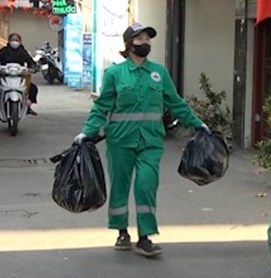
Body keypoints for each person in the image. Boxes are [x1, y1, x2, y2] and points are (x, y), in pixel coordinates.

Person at [73, 22, 210, 258]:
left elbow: (175, 102)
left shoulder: (159, 73)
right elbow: (102, 107)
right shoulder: (115, 74)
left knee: (146, 185)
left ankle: (145, 237)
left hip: (151, 141)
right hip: (120, 140)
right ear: (129, 44)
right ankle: (122, 231)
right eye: (140, 38)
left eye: (148, 38)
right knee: (120, 186)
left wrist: (198, 124)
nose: (145, 42)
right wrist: (87, 131)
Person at [0, 33, 39, 116]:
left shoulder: (23, 52)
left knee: (33, 88)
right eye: (12, 40)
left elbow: (30, 62)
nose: (14, 42)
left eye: (17, 40)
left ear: (20, 42)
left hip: (20, 76)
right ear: (9, 41)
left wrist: (32, 68)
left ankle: (28, 107)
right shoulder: (4, 51)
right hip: (5, 76)